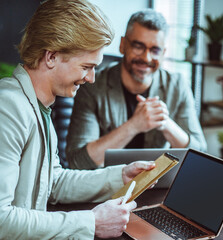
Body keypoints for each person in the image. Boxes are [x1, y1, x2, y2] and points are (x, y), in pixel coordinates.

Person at [0, 0, 156, 239]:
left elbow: (53, 182)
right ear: (51, 56)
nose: (91, 78)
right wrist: (91, 222)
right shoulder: (9, 108)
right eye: (87, 66)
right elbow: (1, 220)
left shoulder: (37, 107)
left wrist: (119, 176)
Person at [66, 9, 207, 170]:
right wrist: (134, 125)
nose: (146, 58)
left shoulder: (177, 85)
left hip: (158, 185)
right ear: (122, 45)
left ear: (163, 54)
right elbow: (78, 162)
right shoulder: (93, 85)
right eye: (138, 47)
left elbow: (200, 155)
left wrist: (165, 123)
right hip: (107, 187)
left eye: (155, 50)